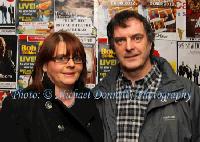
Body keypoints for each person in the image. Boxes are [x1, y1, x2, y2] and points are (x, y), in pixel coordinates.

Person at [92, 10, 200, 142]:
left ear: (150, 43)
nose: (129, 47)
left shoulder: (188, 93)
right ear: (113, 47)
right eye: (120, 40)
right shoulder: (97, 96)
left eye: (137, 38)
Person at [1, 31, 104, 142]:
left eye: (77, 58)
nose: (71, 64)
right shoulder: (18, 104)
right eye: (61, 58)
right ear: (45, 65)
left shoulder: (89, 98)